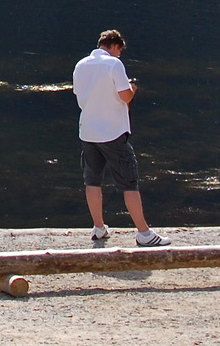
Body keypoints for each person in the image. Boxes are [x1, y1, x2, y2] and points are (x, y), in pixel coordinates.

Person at [72, 29, 168, 246]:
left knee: (92, 180)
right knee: (129, 182)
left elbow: (79, 95)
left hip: (88, 131)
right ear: (115, 46)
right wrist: (132, 89)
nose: (119, 55)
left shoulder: (80, 65)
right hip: (113, 132)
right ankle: (144, 233)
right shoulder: (114, 65)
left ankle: (98, 228)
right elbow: (125, 97)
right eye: (119, 51)